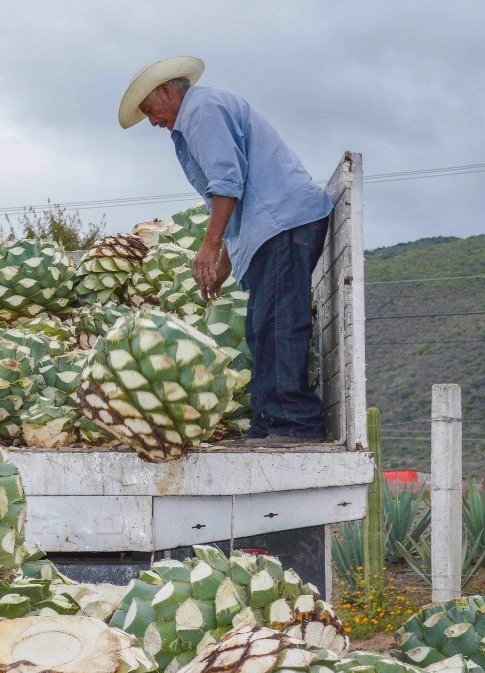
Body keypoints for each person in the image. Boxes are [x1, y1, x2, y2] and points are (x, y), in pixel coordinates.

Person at [117, 57, 333, 445]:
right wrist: (225, 259)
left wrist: (208, 247)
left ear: (166, 91)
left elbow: (227, 182)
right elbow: (241, 193)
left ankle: (295, 426)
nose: (153, 121)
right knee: (261, 326)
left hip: (284, 222)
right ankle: (270, 423)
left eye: (151, 111)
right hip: (273, 226)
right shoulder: (200, 112)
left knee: (279, 324)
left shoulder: (202, 110)